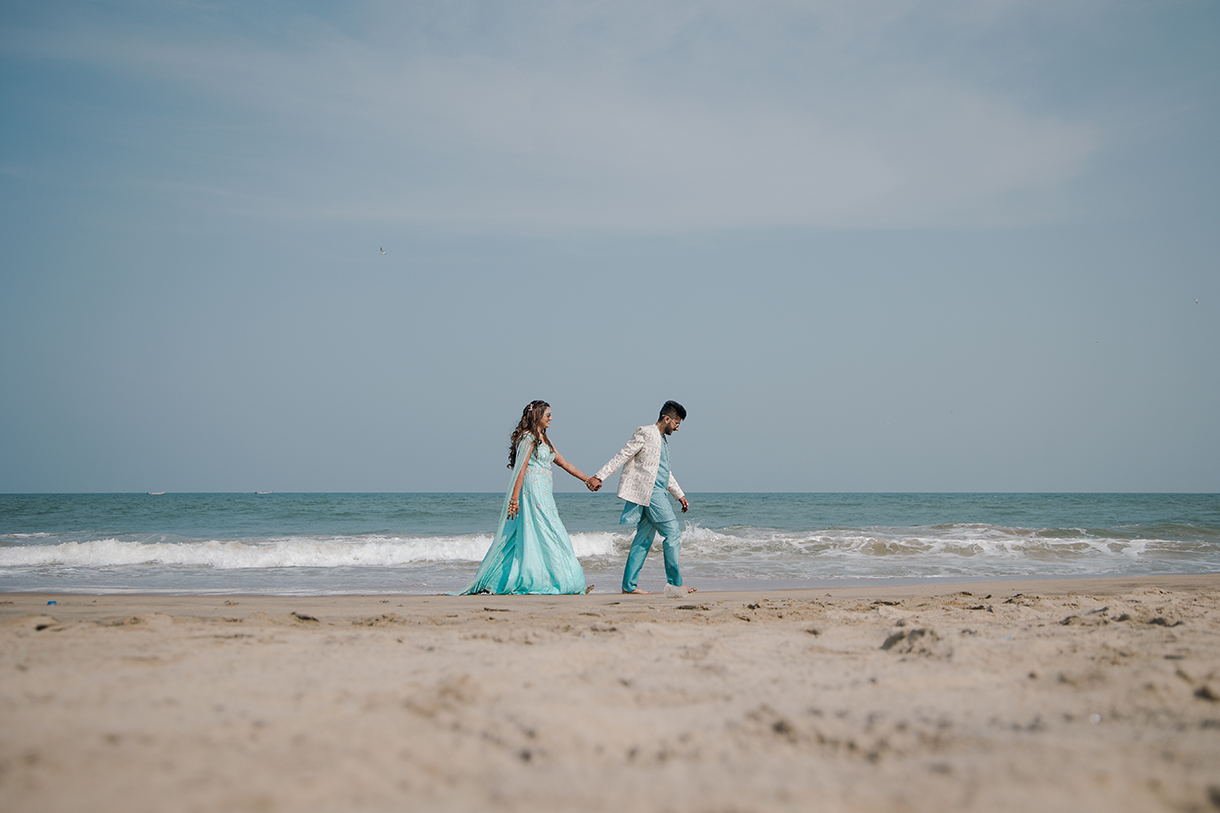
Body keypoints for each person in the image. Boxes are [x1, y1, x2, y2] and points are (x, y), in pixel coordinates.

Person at [461, 401, 595, 595]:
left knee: (548, 532)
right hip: (531, 491)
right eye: (547, 415)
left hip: (545, 491)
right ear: (536, 416)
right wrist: (514, 499)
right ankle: (549, 581)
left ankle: (559, 580)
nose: (551, 418)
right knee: (546, 531)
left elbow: (564, 463)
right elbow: (521, 469)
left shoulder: (545, 440)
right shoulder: (528, 438)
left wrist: (587, 479)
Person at [586, 401, 696, 595]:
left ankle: (629, 586)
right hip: (651, 493)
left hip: (657, 493)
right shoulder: (645, 433)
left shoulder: (663, 440)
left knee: (642, 540)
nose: (677, 428)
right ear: (667, 418)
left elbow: (662, 471)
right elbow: (623, 455)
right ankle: (675, 584)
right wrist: (599, 476)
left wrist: (679, 495)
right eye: (677, 424)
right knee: (672, 533)